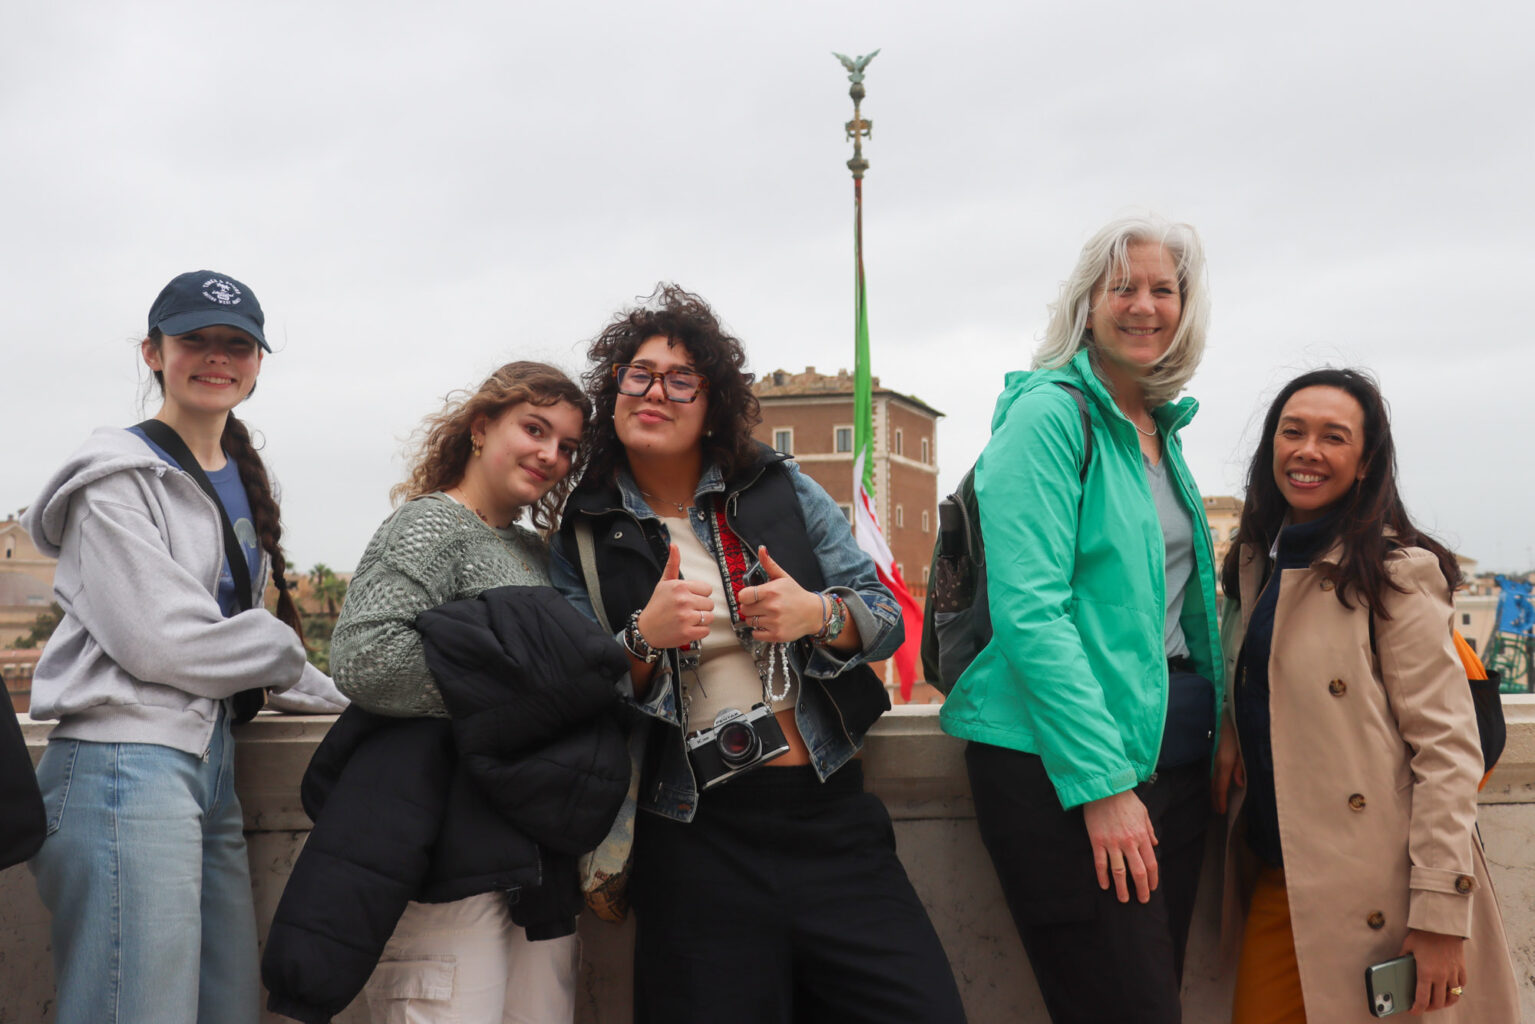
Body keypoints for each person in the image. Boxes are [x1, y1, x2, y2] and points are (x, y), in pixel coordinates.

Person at [550, 284, 968, 1024]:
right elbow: (580, 691)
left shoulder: (779, 487)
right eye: (638, 374)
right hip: (695, 841)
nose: (655, 391)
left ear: (712, 403)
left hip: (831, 819)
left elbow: (883, 616)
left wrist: (817, 613)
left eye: (682, 379)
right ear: (612, 392)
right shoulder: (582, 534)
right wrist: (643, 636)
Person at [21, 270, 345, 1024]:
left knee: (225, 1007)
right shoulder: (116, 480)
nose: (216, 356)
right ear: (152, 352)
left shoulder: (237, 479)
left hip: (209, 767)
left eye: (237, 343)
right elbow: (163, 643)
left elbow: (241, 658)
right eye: (194, 339)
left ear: (258, 363)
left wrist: (353, 695)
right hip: (121, 766)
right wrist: (279, 646)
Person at [938, 215, 1225, 1024]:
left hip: (1166, 762)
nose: (1143, 305)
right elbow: (1032, 612)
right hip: (1061, 769)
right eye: (1121, 286)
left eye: (1162, 288)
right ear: (1086, 304)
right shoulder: (1049, 417)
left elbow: (1183, 614)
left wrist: (1222, 729)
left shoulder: (1156, 430)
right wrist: (1100, 786)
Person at [1212, 368, 1519, 1023]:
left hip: (1380, 892)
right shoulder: (1255, 566)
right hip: (1277, 877)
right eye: (1291, 432)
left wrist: (1438, 915)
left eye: (1332, 437)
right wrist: (1231, 726)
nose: (1306, 451)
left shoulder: (1394, 573)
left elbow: (1446, 752)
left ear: (1364, 463)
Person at [308, 361, 607, 1024]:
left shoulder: (533, 552)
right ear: (479, 427)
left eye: (566, 446)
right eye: (534, 428)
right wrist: (513, 706)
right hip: (449, 853)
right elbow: (365, 660)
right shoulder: (428, 525)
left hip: (532, 855)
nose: (550, 454)